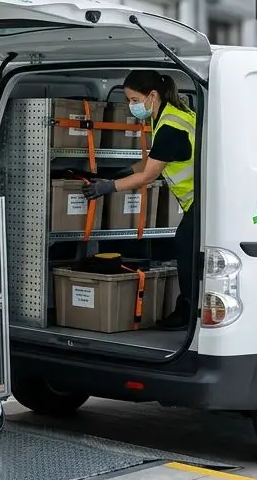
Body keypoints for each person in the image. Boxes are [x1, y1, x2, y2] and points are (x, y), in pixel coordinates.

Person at [82, 70, 196, 330]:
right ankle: (190, 308)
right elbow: (153, 160)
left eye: (134, 100)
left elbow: (149, 175)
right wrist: (121, 172)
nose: (131, 106)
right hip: (203, 198)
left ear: (152, 96)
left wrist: (108, 187)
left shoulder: (170, 126)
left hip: (202, 200)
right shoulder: (173, 115)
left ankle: (188, 311)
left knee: (185, 246)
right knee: (188, 246)